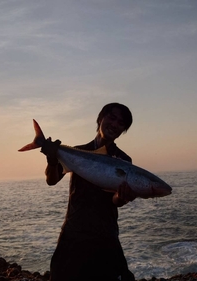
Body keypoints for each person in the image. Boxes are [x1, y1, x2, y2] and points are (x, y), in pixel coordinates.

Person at [41, 102, 137, 281]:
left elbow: (115, 200)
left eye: (121, 123)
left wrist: (122, 197)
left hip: (105, 234)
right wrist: (52, 159)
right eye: (112, 118)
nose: (115, 125)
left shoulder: (123, 161)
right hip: (73, 231)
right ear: (100, 118)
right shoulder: (78, 152)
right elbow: (51, 180)